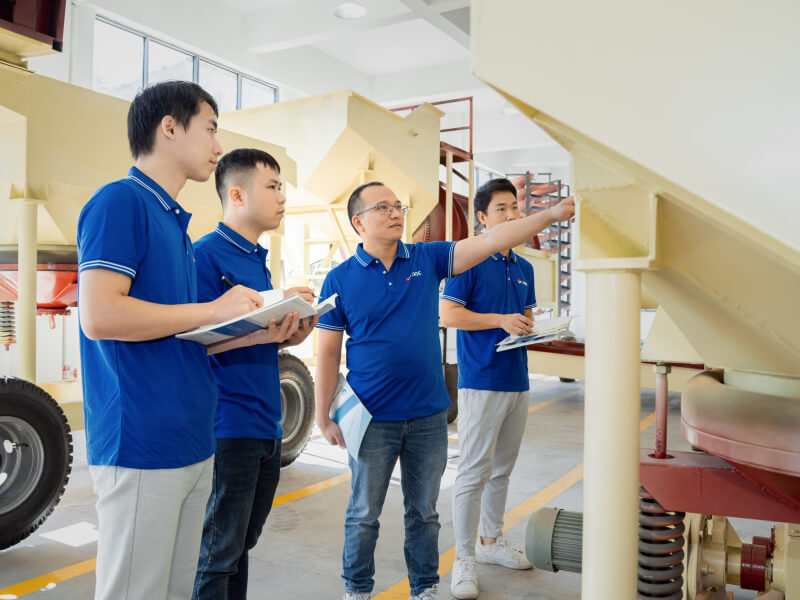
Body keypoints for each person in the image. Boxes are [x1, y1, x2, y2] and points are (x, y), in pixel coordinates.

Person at [314, 181, 574, 600]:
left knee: (424, 514)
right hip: (371, 417)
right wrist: (321, 413)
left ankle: (425, 587)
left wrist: (549, 215)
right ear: (358, 221)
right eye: (383, 207)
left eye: (397, 205)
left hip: (428, 416)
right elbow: (327, 354)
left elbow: (493, 239)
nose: (396, 212)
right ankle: (358, 589)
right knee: (364, 514)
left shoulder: (427, 259)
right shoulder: (339, 279)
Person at [77, 81, 274, 600]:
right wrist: (215, 308)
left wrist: (255, 331)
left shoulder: (178, 229)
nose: (217, 146)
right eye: (210, 129)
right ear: (169, 127)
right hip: (142, 440)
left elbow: (186, 335)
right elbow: (99, 315)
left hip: (191, 440)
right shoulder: (121, 202)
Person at [191, 148, 317, 599]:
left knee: (241, 547)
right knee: (217, 555)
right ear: (238, 195)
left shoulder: (256, 259)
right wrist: (266, 331)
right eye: (273, 186)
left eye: (282, 186)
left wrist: (289, 335)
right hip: (229, 427)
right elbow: (194, 343)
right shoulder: (204, 257)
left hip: (266, 425)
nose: (283, 196)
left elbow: (250, 336)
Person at [440, 178, 540, 599]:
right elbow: (448, 314)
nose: (511, 215)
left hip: (517, 380)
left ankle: (490, 542)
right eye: (501, 209)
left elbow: (528, 315)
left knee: (502, 469)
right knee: (473, 472)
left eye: (514, 208)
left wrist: (532, 327)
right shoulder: (469, 261)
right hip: (481, 381)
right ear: (482, 217)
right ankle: (463, 559)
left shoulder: (524, 268)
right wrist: (499, 320)